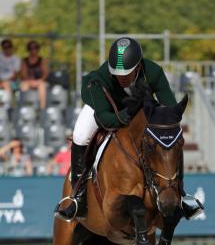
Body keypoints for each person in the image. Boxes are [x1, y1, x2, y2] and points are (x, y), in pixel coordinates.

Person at [58, 37, 201, 220]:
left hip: (139, 107)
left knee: (170, 138)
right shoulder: (100, 79)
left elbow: (169, 108)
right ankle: (77, 197)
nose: (121, 77)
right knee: (80, 134)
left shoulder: (153, 72)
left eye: (127, 73)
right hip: (105, 109)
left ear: (138, 66)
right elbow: (105, 119)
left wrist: (167, 123)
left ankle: (180, 193)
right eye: (117, 73)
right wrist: (127, 114)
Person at [20, 40, 49, 109]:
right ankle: (25, 108)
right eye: (31, 48)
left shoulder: (42, 60)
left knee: (42, 86)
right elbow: (23, 74)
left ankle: (42, 108)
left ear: (38, 49)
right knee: (24, 86)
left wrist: (39, 81)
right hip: (28, 81)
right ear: (28, 49)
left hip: (40, 81)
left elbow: (45, 73)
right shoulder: (25, 60)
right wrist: (30, 81)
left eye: (35, 48)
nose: (33, 50)